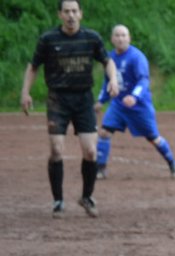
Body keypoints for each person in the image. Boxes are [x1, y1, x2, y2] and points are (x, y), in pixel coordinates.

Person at [21, 0, 118, 218]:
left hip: (83, 99)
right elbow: (33, 66)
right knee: (56, 150)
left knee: (91, 151)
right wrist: (25, 92)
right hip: (58, 99)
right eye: (67, 12)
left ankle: (87, 196)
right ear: (60, 15)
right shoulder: (48, 39)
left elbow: (107, 61)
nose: (71, 15)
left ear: (81, 14)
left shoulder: (91, 38)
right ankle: (58, 201)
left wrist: (114, 80)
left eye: (74, 11)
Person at [95, 25, 175, 179]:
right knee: (104, 132)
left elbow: (143, 80)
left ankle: (172, 163)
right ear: (112, 39)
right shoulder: (109, 58)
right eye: (117, 35)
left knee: (154, 138)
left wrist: (134, 97)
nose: (120, 38)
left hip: (139, 106)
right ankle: (100, 169)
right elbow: (108, 82)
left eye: (124, 35)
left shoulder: (136, 57)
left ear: (129, 38)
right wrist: (101, 100)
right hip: (119, 105)